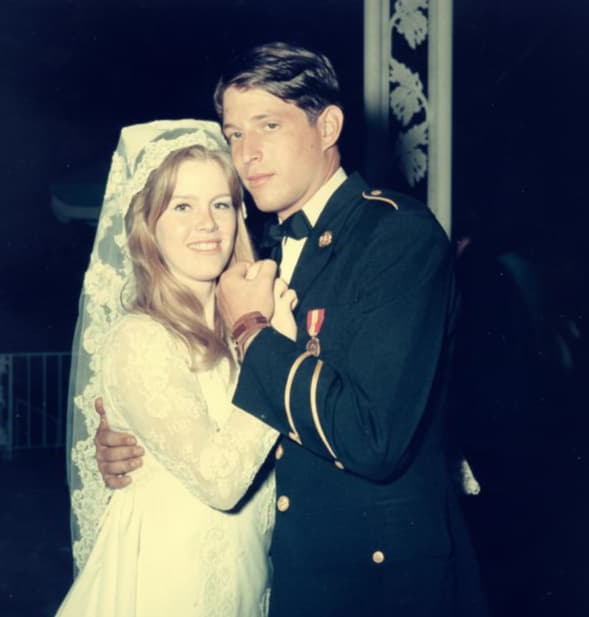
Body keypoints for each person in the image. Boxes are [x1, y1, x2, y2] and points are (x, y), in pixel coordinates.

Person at [94, 42, 486, 617]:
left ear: (327, 126)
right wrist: (140, 444)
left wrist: (254, 331)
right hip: (285, 578)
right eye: (233, 135)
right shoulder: (257, 255)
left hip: (375, 587)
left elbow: (375, 438)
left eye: (268, 126)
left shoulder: (397, 238)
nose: (247, 155)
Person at [59, 119, 299, 617]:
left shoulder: (248, 323)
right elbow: (220, 479)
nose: (208, 224)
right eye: (182, 206)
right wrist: (272, 346)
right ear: (149, 226)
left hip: (247, 583)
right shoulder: (141, 338)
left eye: (221, 204)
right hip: (165, 588)